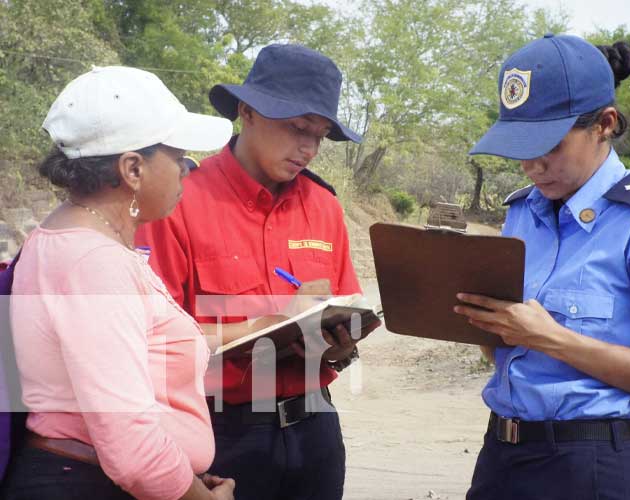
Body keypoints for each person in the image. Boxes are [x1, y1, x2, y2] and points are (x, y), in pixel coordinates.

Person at [454, 34, 630, 500]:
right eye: (519, 146)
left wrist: (550, 338)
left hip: (592, 468)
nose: (531, 165)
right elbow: (506, 354)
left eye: (548, 145)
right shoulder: (522, 212)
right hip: (500, 461)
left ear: (604, 124)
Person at [135, 44, 378, 500]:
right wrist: (256, 330)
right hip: (220, 432)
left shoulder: (323, 207)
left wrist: (337, 347)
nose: (308, 147)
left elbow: (343, 305)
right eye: (297, 128)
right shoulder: (177, 202)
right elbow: (150, 341)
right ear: (247, 111)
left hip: (314, 426)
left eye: (320, 134)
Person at [0, 66, 236, 500]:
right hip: (86, 483)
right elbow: (133, 451)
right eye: (180, 156)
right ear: (133, 168)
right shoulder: (95, 264)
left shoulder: (69, 240)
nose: (189, 169)